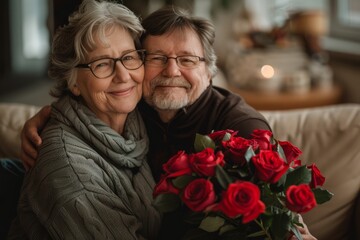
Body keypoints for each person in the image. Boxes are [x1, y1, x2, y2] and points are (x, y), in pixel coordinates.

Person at [12, 5, 316, 240]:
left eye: (187, 60)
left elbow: (282, 213)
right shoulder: (132, 108)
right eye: (157, 58)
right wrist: (48, 117)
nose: (171, 71)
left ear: (210, 72)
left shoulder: (241, 128)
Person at [6, 0, 161, 239]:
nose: (123, 75)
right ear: (73, 82)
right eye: (101, 64)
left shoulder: (141, 118)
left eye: (129, 57)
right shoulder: (71, 170)